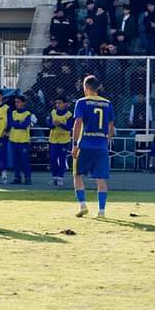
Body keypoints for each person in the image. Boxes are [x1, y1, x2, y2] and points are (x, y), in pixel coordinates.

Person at [72, 75, 114, 218]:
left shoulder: (82, 102)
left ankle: (82, 205)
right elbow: (111, 125)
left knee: (77, 175)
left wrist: (75, 144)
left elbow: (78, 123)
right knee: (101, 179)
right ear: (98, 88)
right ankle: (101, 211)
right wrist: (106, 142)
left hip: (85, 143)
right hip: (101, 144)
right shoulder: (108, 103)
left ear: (86, 87)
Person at [8, 95, 35, 185]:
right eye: (16, 102)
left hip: (23, 141)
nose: (16, 104)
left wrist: (16, 123)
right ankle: (17, 177)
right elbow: (10, 123)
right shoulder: (13, 113)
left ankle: (27, 178)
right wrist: (18, 123)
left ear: (23, 103)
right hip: (13, 139)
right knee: (16, 161)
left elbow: (24, 125)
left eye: (18, 102)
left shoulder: (27, 114)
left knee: (24, 161)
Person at [47, 97, 74, 187]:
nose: (58, 105)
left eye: (60, 103)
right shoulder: (53, 113)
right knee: (52, 159)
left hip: (64, 140)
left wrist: (61, 124)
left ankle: (60, 178)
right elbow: (49, 125)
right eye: (56, 103)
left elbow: (69, 127)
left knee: (62, 159)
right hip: (53, 139)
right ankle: (55, 177)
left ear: (65, 104)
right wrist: (53, 125)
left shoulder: (69, 115)